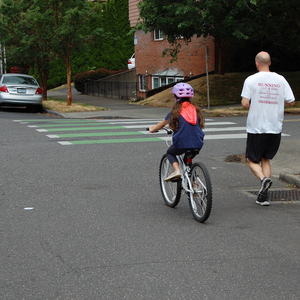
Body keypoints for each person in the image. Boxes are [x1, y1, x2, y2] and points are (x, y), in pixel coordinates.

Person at [241, 51, 295, 206]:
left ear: (257, 63)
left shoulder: (251, 79)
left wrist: (255, 106)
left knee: (252, 160)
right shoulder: (281, 79)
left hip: (256, 127)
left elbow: (245, 103)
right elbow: (291, 101)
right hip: (275, 126)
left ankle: (264, 180)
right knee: (266, 159)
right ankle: (263, 197)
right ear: (269, 63)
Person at [149, 82, 205, 181]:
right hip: (198, 143)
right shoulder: (195, 110)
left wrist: (152, 129)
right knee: (188, 160)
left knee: (170, 153)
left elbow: (161, 125)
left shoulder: (175, 111)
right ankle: (195, 184)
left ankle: (177, 170)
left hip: (182, 143)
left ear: (175, 97)